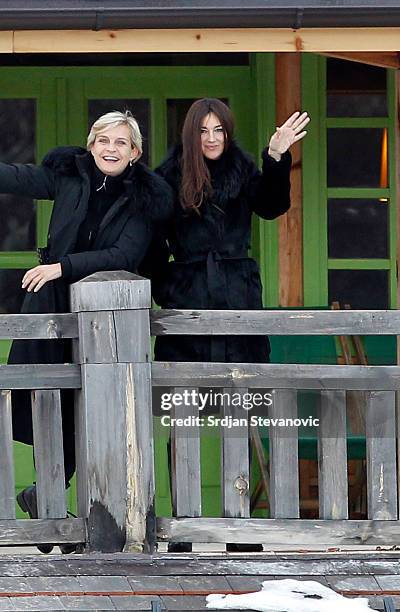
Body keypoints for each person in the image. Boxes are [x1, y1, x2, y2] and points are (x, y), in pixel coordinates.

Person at [0, 111, 173, 552]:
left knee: (100, 413)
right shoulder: (70, 177)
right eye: (103, 140)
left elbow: (124, 252)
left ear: (135, 153)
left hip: (109, 322)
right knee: (50, 406)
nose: (110, 149)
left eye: (121, 143)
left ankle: (71, 512)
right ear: (91, 145)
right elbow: (4, 176)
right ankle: (51, 508)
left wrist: (59, 267)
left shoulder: (145, 198)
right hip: (51, 311)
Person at [144, 98, 309, 552]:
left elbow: (273, 206)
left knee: (240, 409)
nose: (212, 139)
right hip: (188, 301)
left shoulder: (243, 170)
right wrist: (168, 288)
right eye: (204, 131)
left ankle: (239, 524)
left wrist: (277, 156)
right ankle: (182, 524)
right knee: (184, 416)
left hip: (237, 298)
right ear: (190, 136)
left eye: (219, 130)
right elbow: (152, 244)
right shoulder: (167, 179)